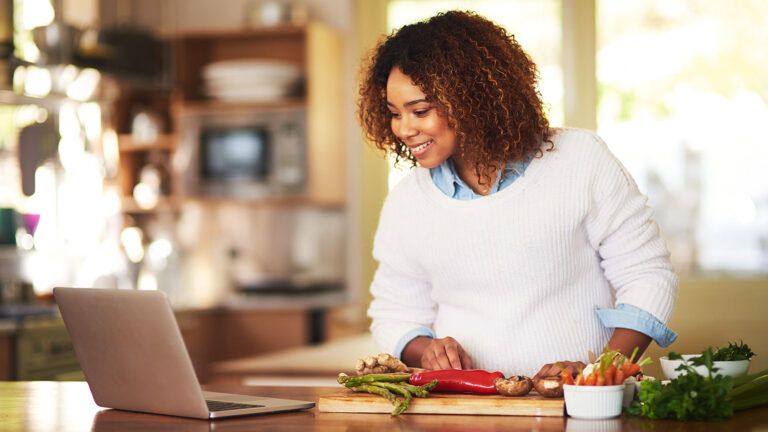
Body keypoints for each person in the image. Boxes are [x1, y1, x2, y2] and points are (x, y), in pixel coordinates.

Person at [359, 10, 678, 379]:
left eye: (420, 110)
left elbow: (647, 276)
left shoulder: (580, 159)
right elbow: (394, 314)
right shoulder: (407, 201)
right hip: (469, 410)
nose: (404, 128)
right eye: (394, 113)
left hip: (580, 405)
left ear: (472, 99)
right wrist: (427, 349)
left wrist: (599, 373)